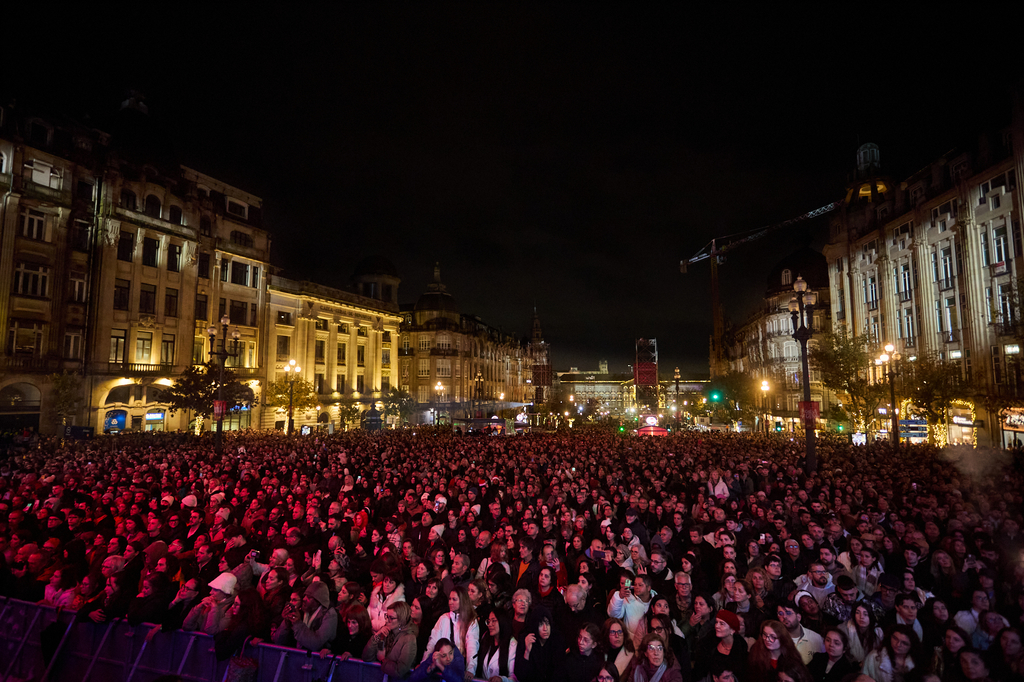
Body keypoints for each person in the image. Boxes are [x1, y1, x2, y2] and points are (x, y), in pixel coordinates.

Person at [422, 586, 479, 680]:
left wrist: (471, 670)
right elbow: (432, 642)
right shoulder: (443, 618)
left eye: (454, 599)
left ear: (462, 601)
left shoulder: (471, 621)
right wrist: (424, 663)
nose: (450, 602)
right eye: (449, 599)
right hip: (440, 666)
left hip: (458, 666)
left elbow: (472, 646)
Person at [274, 581, 338, 651]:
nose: (304, 599)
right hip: (296, 656)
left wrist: (297, 623)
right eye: (304, 596)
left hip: (317, 660)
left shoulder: (329, 615)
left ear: (318, 601)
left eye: (309, 597)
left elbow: (315, 644)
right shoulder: (301, 610)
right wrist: (286, 622)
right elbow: (278, 641)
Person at [362, 602, 420, 679]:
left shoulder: (409, 639)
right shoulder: (386, 631)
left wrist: (383, 660)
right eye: (387, 616)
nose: (387, 621)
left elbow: (400, 671)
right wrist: (376, 636)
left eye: (391, 618)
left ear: (402, 620)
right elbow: (366, 657)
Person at [514, 606, 558, 682]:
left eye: (547, 624)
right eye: (541, 624)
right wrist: (527, 652)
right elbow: (520, 675)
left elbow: (559, 673)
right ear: (535, 626)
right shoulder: (525, 639)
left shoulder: (556, 641)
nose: (545, 628)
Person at [476, 608, 517, 682]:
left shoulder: (512, 644)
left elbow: (514, 677)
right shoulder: (485, 638)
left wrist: (502, 679)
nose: (490, 624)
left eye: (493, 621)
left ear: (502, 621)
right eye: (488, 621)